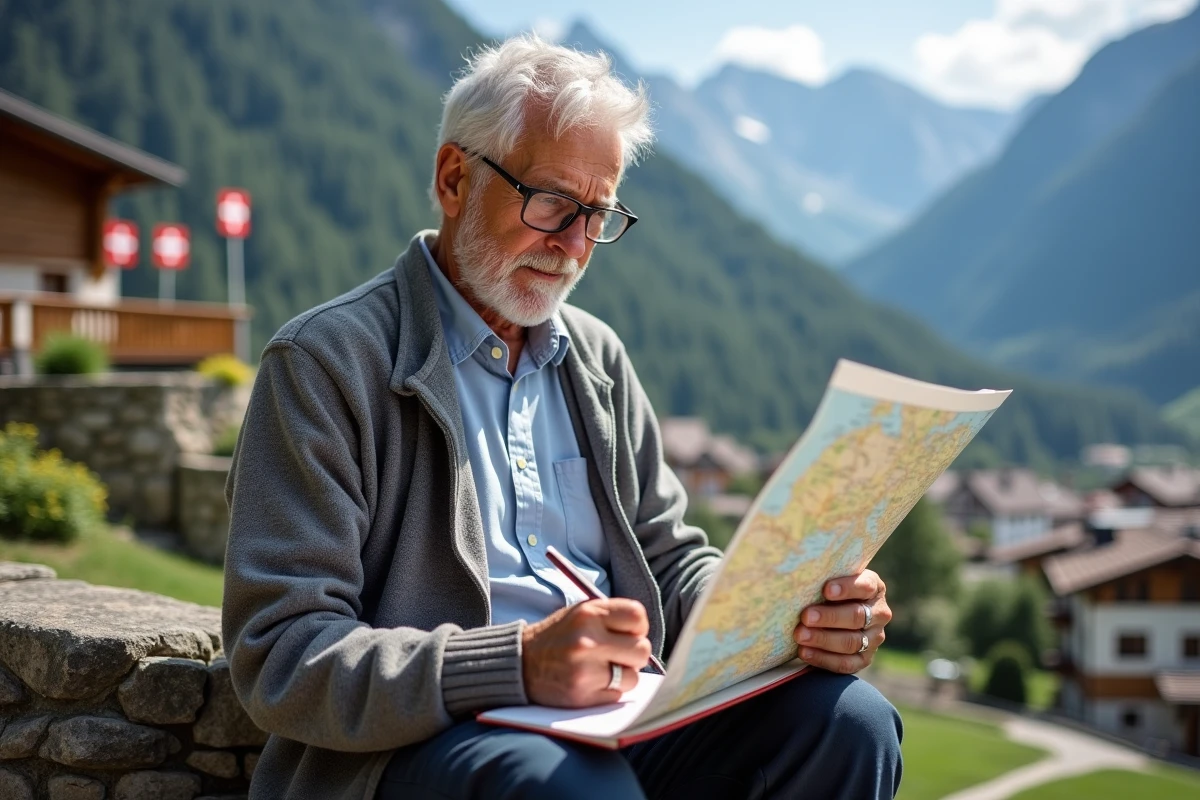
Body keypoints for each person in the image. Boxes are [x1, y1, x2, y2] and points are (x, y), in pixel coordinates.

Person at [222, 34, 902, 800]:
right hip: (413, 749)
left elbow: (668, 560)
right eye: (552, 203)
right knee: (573, 789)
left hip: (613, 722)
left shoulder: (597, 359)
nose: (574, 246)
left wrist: (787, 609)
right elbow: (280, 655)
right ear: (454, 179)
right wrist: (514, 663)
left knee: (849, 723)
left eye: (598, 214)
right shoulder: (325, 363)